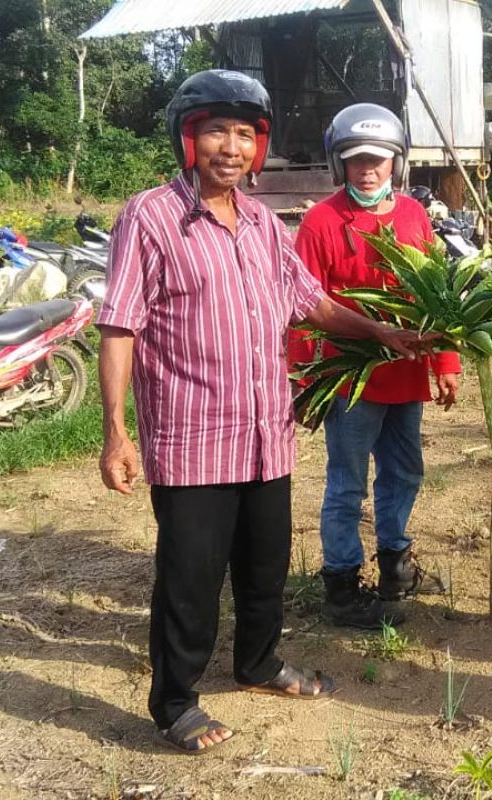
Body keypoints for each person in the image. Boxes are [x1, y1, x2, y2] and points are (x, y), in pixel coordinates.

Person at [97, 70, 427, 754]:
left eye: (245, 133)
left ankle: (258, 663)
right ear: (188, 137)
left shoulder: (261, 225)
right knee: (190, 575)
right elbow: (120, 326)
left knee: (265, 565)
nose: (231, 146)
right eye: (216, 129)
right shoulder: (151, 216)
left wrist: (383, 333)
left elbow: (315, 302)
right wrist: (115, 433)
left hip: (264, 435)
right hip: (193, 437)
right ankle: (176, 701)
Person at [287, 102, 460, 630]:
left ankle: (396, 567)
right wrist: (306, 381)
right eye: (357, 159)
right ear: (340, 163)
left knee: (404, 472)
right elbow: (299, 307)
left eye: (378, 160)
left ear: (396, 163)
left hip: (405, 374)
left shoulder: (413, 217)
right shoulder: (320, 223)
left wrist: (445, 361)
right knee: (346, 483)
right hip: (350, 378)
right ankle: (341, 585)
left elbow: (437, 296)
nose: (368, 169)